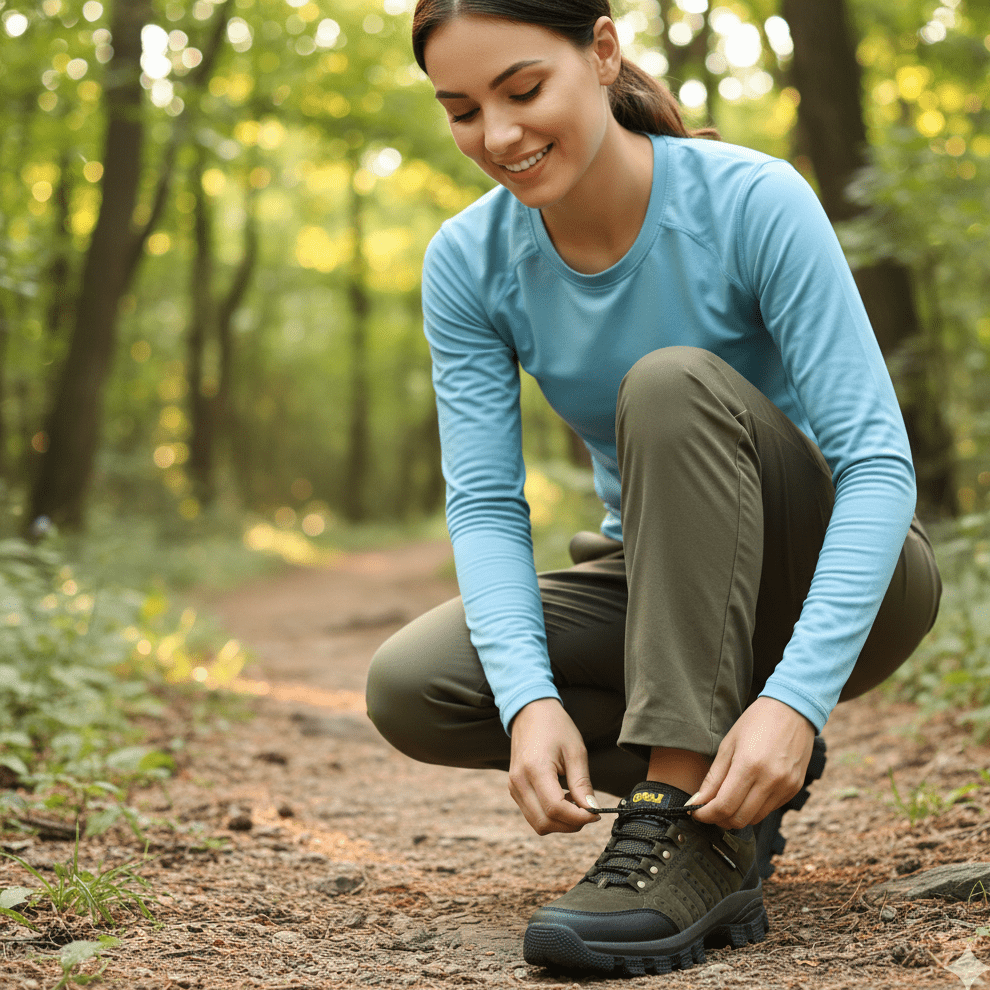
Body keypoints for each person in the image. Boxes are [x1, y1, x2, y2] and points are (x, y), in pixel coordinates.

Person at [366, 0, 942, 975]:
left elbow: (878, 465)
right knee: (416, 687)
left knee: (671, 380)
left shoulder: (752, 201)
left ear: (600, 52)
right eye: (461, 109)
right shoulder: (468, 262)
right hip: (655, 587)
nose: (497, 135)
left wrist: (796, 700)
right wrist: (527, 700)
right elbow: (486, 503)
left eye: (522, 89)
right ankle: (737, 781)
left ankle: (685, 825)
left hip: (842, 566)